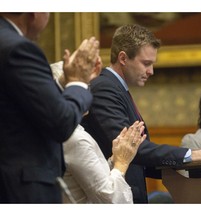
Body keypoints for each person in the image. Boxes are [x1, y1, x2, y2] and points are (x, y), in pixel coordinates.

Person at [81, 24, 201, 203]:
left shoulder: (117, 89)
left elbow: (141, 158)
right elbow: (130, 149)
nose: (151, 71)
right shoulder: (104, 88)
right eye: (146, 63)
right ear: (123, 58)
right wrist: (190, 154)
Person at [0, 13, 99, 203]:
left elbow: (19, 103)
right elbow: (61, 123)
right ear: (34, 12)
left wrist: (64, 83)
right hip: (19, 190)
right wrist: (78, 83)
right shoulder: (18, 48)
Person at [51, 61, 146, 204]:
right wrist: (121, 162)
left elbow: (93, 180)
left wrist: (115, 159)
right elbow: (110, 199)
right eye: (83, 88)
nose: (89, 93)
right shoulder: (75, 138)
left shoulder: (70, 131)